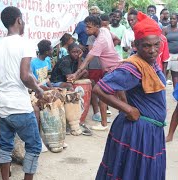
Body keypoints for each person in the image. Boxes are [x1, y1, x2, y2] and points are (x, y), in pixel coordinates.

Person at [95, 11, 166, 180]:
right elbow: (99, 89)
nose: (152, 50)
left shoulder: (151, 63)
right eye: (147, 46)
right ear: (136, 45)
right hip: (137, 131)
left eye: (156, 45)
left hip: (150, 131)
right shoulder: (133, 67)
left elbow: (122, 87)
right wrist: (127, 108)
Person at [0, 6, 44, 180]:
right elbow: (24, 76)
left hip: (3, 106)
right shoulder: (25, 43)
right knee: (34, 146)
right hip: (19, 106)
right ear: (19, 20)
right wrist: (37, 89)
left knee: (5, 145)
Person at [69, 15, 123, 131]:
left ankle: (103, 124)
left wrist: (76, 73)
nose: (86, 29)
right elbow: (117, 39)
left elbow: (88, 59)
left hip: (111, 69)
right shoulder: (105, 30)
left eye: (89, 27)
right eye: (86, 27)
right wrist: (110, 50)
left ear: (97, 26)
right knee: (121, 95)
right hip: (118, 66)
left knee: (100, 92)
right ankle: (125, 117)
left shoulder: (100, 41)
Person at [163, 13, 178, 88]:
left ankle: (176, 95)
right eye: (171, 18)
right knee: (164, 74)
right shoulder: (165, 29)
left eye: (174, 19)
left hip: (176, 56)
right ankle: (162, 95)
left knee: (175, 75)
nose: (172, 20)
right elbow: (161, 42)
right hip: (167, 55)